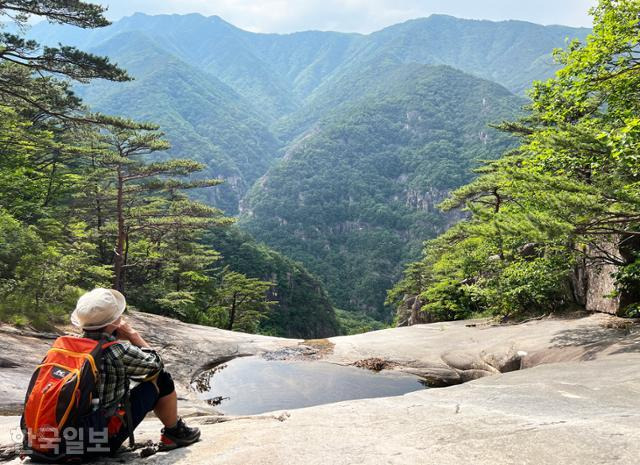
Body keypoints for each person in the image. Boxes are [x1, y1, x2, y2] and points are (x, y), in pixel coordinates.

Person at [70, 288, 201, 454]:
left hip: (60, 438)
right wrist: (133, 335)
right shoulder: (116, 351)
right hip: (97, 442)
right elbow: (156, 364)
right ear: (113, 322)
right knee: (162, 378)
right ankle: (174, 433)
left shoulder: (68, 346)